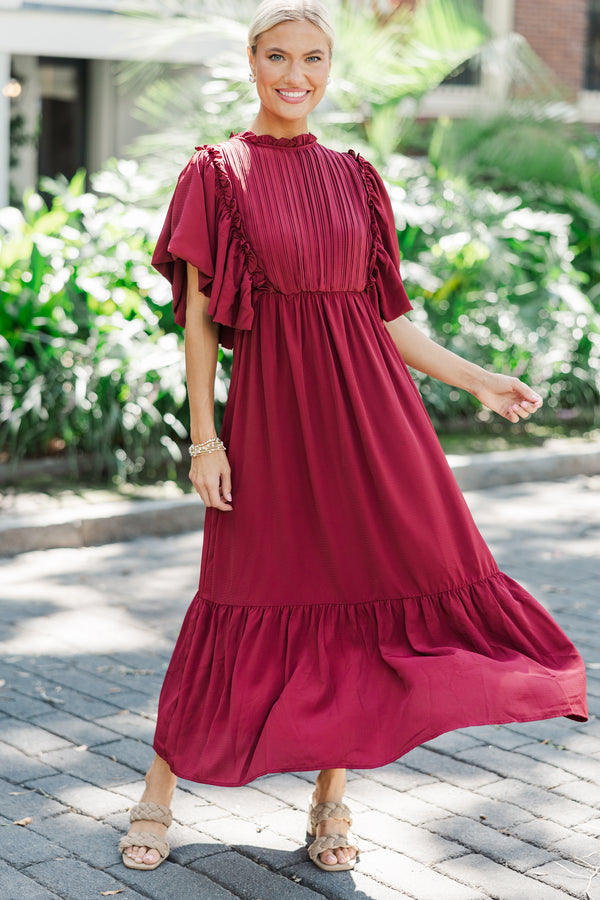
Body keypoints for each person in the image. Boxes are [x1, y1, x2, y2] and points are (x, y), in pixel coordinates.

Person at [118, 0, 587, 875]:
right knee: (237, 590)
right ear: (251, 62)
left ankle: (331, 799)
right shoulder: (215, 174)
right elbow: (198, 328)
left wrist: (479, 379)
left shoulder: (358, 177)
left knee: (364, 597)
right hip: (269, 424)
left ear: (331, 69)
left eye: (315, 59)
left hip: (372, 420)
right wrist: (203, 440)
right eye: (279, 57)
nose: (297, 76)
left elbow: (391, 325)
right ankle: (158, 790)